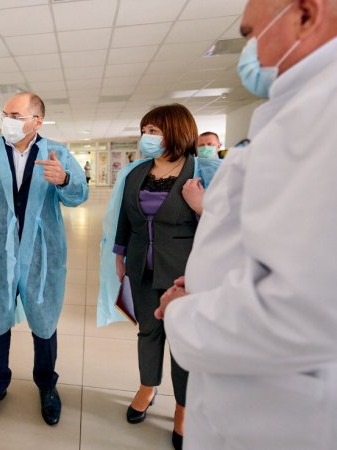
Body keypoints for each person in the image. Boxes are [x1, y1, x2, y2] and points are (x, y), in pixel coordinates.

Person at [155, 1, 337, 449]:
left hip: (281, 411)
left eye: (252, 33)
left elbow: (307, 307)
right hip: (251, 384)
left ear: (305, 15)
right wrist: (209, 282)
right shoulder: (299, 109)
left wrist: (182, 312)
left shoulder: (323, 114)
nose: (249, 50)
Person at [0, 92, 88, 428]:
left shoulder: (57, 153)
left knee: (44, 318)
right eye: (5, 114)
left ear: (37, 121)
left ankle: (47, 386)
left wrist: (65, 180)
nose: (7, 121)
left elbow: (78, 196)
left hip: (42, 253)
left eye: (16, 115)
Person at [97, 104, 220, 450]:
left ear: (175, 131)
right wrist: (120, 255)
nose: (146, 137)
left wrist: (200, 206)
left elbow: (229, 225)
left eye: (153, 131)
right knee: (148, 331)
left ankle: (183, 407)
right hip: (141, 265)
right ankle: (147, 387)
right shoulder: (137, 172)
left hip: (185, 270)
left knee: (182, 340)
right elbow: (125, 217)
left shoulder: (205, 171)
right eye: (144, 130)